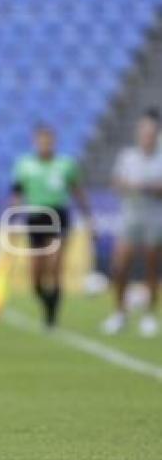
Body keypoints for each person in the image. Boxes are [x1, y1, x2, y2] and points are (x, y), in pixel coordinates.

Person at [10, 124, 94, 329]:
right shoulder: (25, 164)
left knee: (55, 266)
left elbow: (77, 191)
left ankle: (52, 317)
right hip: (36, 217)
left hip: (58, 215)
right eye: (41, 140)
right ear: (35, 142)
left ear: (54, 142)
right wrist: (12, 221)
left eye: (48, 140)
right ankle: (46, 303)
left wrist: (89, 218)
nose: (45, 144)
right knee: (36, 273)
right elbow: (17, 195)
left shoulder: (66, 164)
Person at [101, 110, 162, 337]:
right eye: (144, 132)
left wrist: (147, 187)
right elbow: (116, 182)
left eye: (151, 132)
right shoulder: (128, 156)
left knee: (152, 268)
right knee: (120, 265)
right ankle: (120, 312)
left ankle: (149, 315)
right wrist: (126, 185)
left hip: (155, 217)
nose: (147, 136)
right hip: (131, 216)